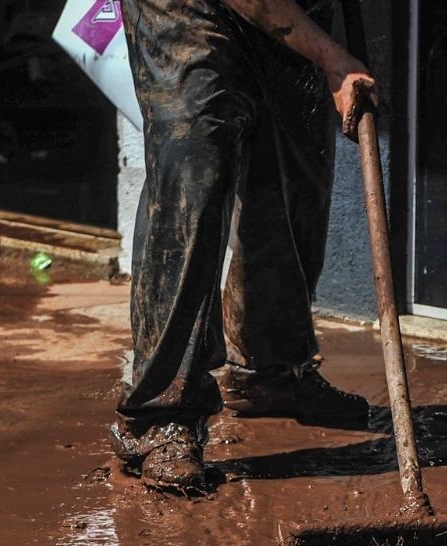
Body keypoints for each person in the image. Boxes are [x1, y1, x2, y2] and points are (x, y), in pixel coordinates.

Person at [110, 0, 378, 491]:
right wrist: (332, 55)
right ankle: (161, 414)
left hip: (294, 11)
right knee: (194, 180)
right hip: (182, 11)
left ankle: (270, 373)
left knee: (292, 178)